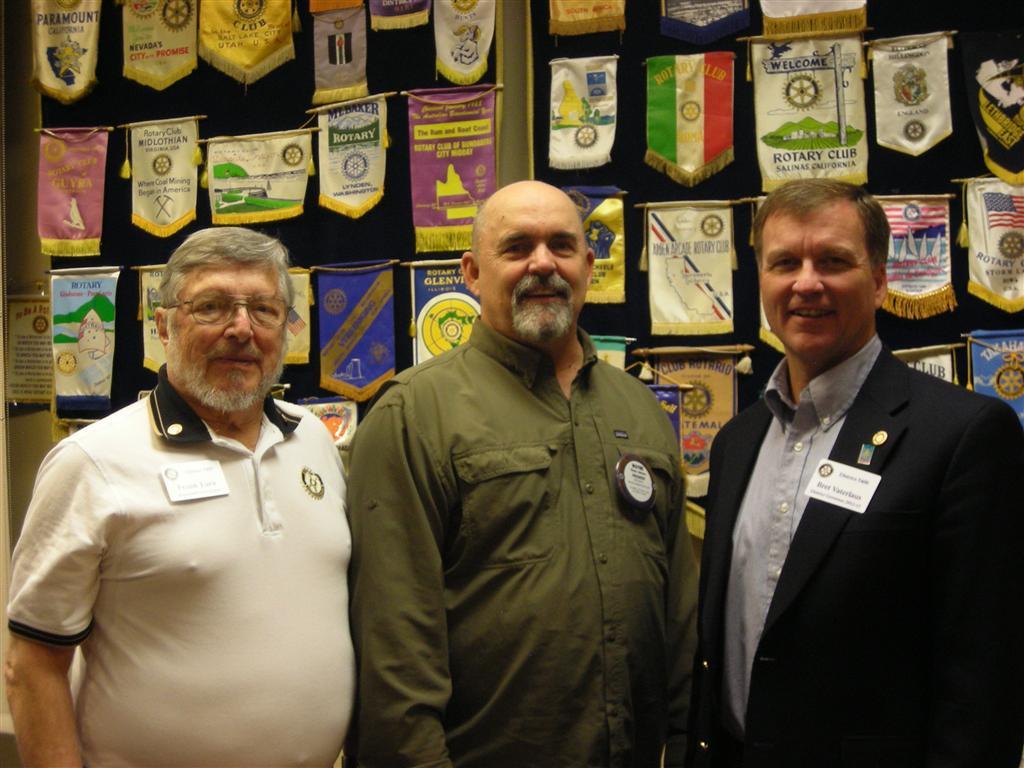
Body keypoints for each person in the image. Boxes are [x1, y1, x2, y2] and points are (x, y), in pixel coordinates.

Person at [346, 180, 698, 767]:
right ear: (472, 272)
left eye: (562, 245)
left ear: (588, 267)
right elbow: (394, 649)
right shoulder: (413, 414)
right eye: (516, 247)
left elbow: (679, 612)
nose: (543, 264)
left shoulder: (639, 409)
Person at [687, 179, 1024, 767]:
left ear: (880, 279)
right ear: (761, 279)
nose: (806, 283)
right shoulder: (736, 444)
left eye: (833, 261)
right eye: (784, 263)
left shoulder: (964, 435)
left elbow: (984, 682)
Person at [5, 227, 355, 767]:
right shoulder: (93, 461)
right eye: (212, 307)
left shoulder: (312, 438)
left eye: (264, 310)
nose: (241, 329)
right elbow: (32, 665)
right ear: (163, 325)